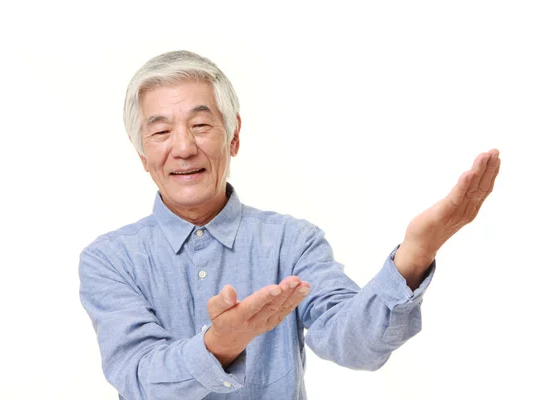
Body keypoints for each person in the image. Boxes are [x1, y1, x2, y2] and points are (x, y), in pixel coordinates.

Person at [78, 50, 501, 400]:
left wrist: (414, 255)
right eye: (161, 132)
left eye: (201, 125)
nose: (184, 147)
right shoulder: (110, 259)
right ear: (141, 154)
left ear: (234, 136)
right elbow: (137, 377)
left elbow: (353, 345)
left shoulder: (291, 242)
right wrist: (221, 343)